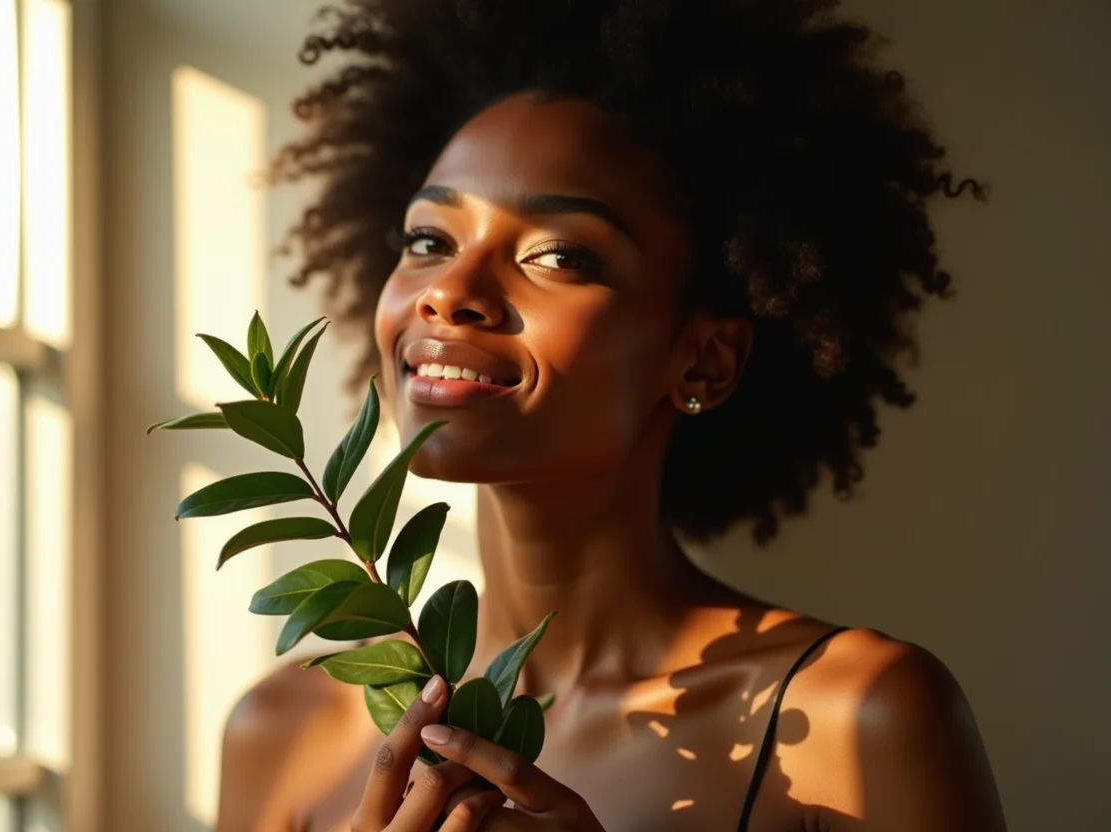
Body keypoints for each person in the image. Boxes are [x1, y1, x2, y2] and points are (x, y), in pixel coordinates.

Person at [216, 1, 1005, 830]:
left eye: (559, 255)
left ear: (704, 359)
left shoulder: (863, 717)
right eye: (428, 241)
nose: (448, 292)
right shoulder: (286, 733)